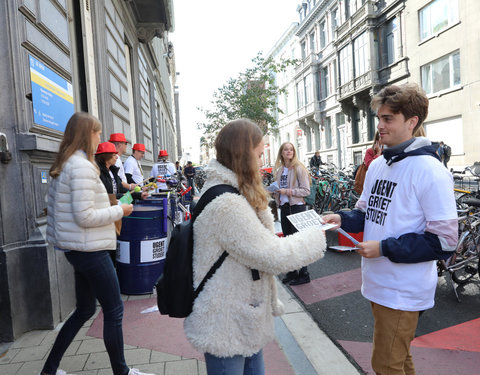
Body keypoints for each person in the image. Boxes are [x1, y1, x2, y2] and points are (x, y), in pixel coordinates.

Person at [323, 83, 457, 375]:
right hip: (378, 284)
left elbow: (445, 242)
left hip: (403, 289)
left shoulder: (431, 171)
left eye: (388, 119)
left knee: (385, 364)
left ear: (412, 122)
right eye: (379, 118)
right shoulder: (379, 165)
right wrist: (342, 219)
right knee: (398, 359)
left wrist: (384, 248)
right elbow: (366, 212)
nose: (380, 126)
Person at [184, 119, 326, 375]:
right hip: (227, 322)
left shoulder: (226, 190)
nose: (262, 163)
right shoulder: (228, 205)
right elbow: (272, 255)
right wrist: (317, 235)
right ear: (244, 155)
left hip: (241, 314)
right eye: (259, 155)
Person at [42, 112, 151, 375]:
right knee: (114, 311)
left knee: (84, 310)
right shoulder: (81, 167)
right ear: (86, 135)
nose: (100, 138)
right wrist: (120, 212)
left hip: (78, 249)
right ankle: (122, 373)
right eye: (97, 133)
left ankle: (49, 370)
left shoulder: (67, 163)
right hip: (90, 249)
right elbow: (85, 216)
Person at [274, 142, 312, 286]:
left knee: (299, 243)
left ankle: (304, 274)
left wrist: (288, 192)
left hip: (297, 208)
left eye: (291, 149)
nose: (289, 152)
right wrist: (275, 192)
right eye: (286, 149)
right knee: (288, 242)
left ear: (294, 152)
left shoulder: (299, 168)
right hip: (284, 208)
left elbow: (306, 191)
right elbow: (280, 188)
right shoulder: (279, 170)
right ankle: (292, 273)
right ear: (281, 152)